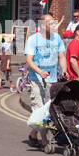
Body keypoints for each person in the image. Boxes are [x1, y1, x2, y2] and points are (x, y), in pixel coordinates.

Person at [24, 14, 66, 145]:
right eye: (51, 23)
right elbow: (29, 60)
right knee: (39, 108)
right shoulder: (33, 39)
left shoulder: (57, 38)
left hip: (52, 80)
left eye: (55, 22)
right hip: (36, 79)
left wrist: (64, 70)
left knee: (49, 109)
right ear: (42, 25)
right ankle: (44, 140)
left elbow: (61, 56)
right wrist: (40, 72)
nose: (54, 25)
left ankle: (33, 133)